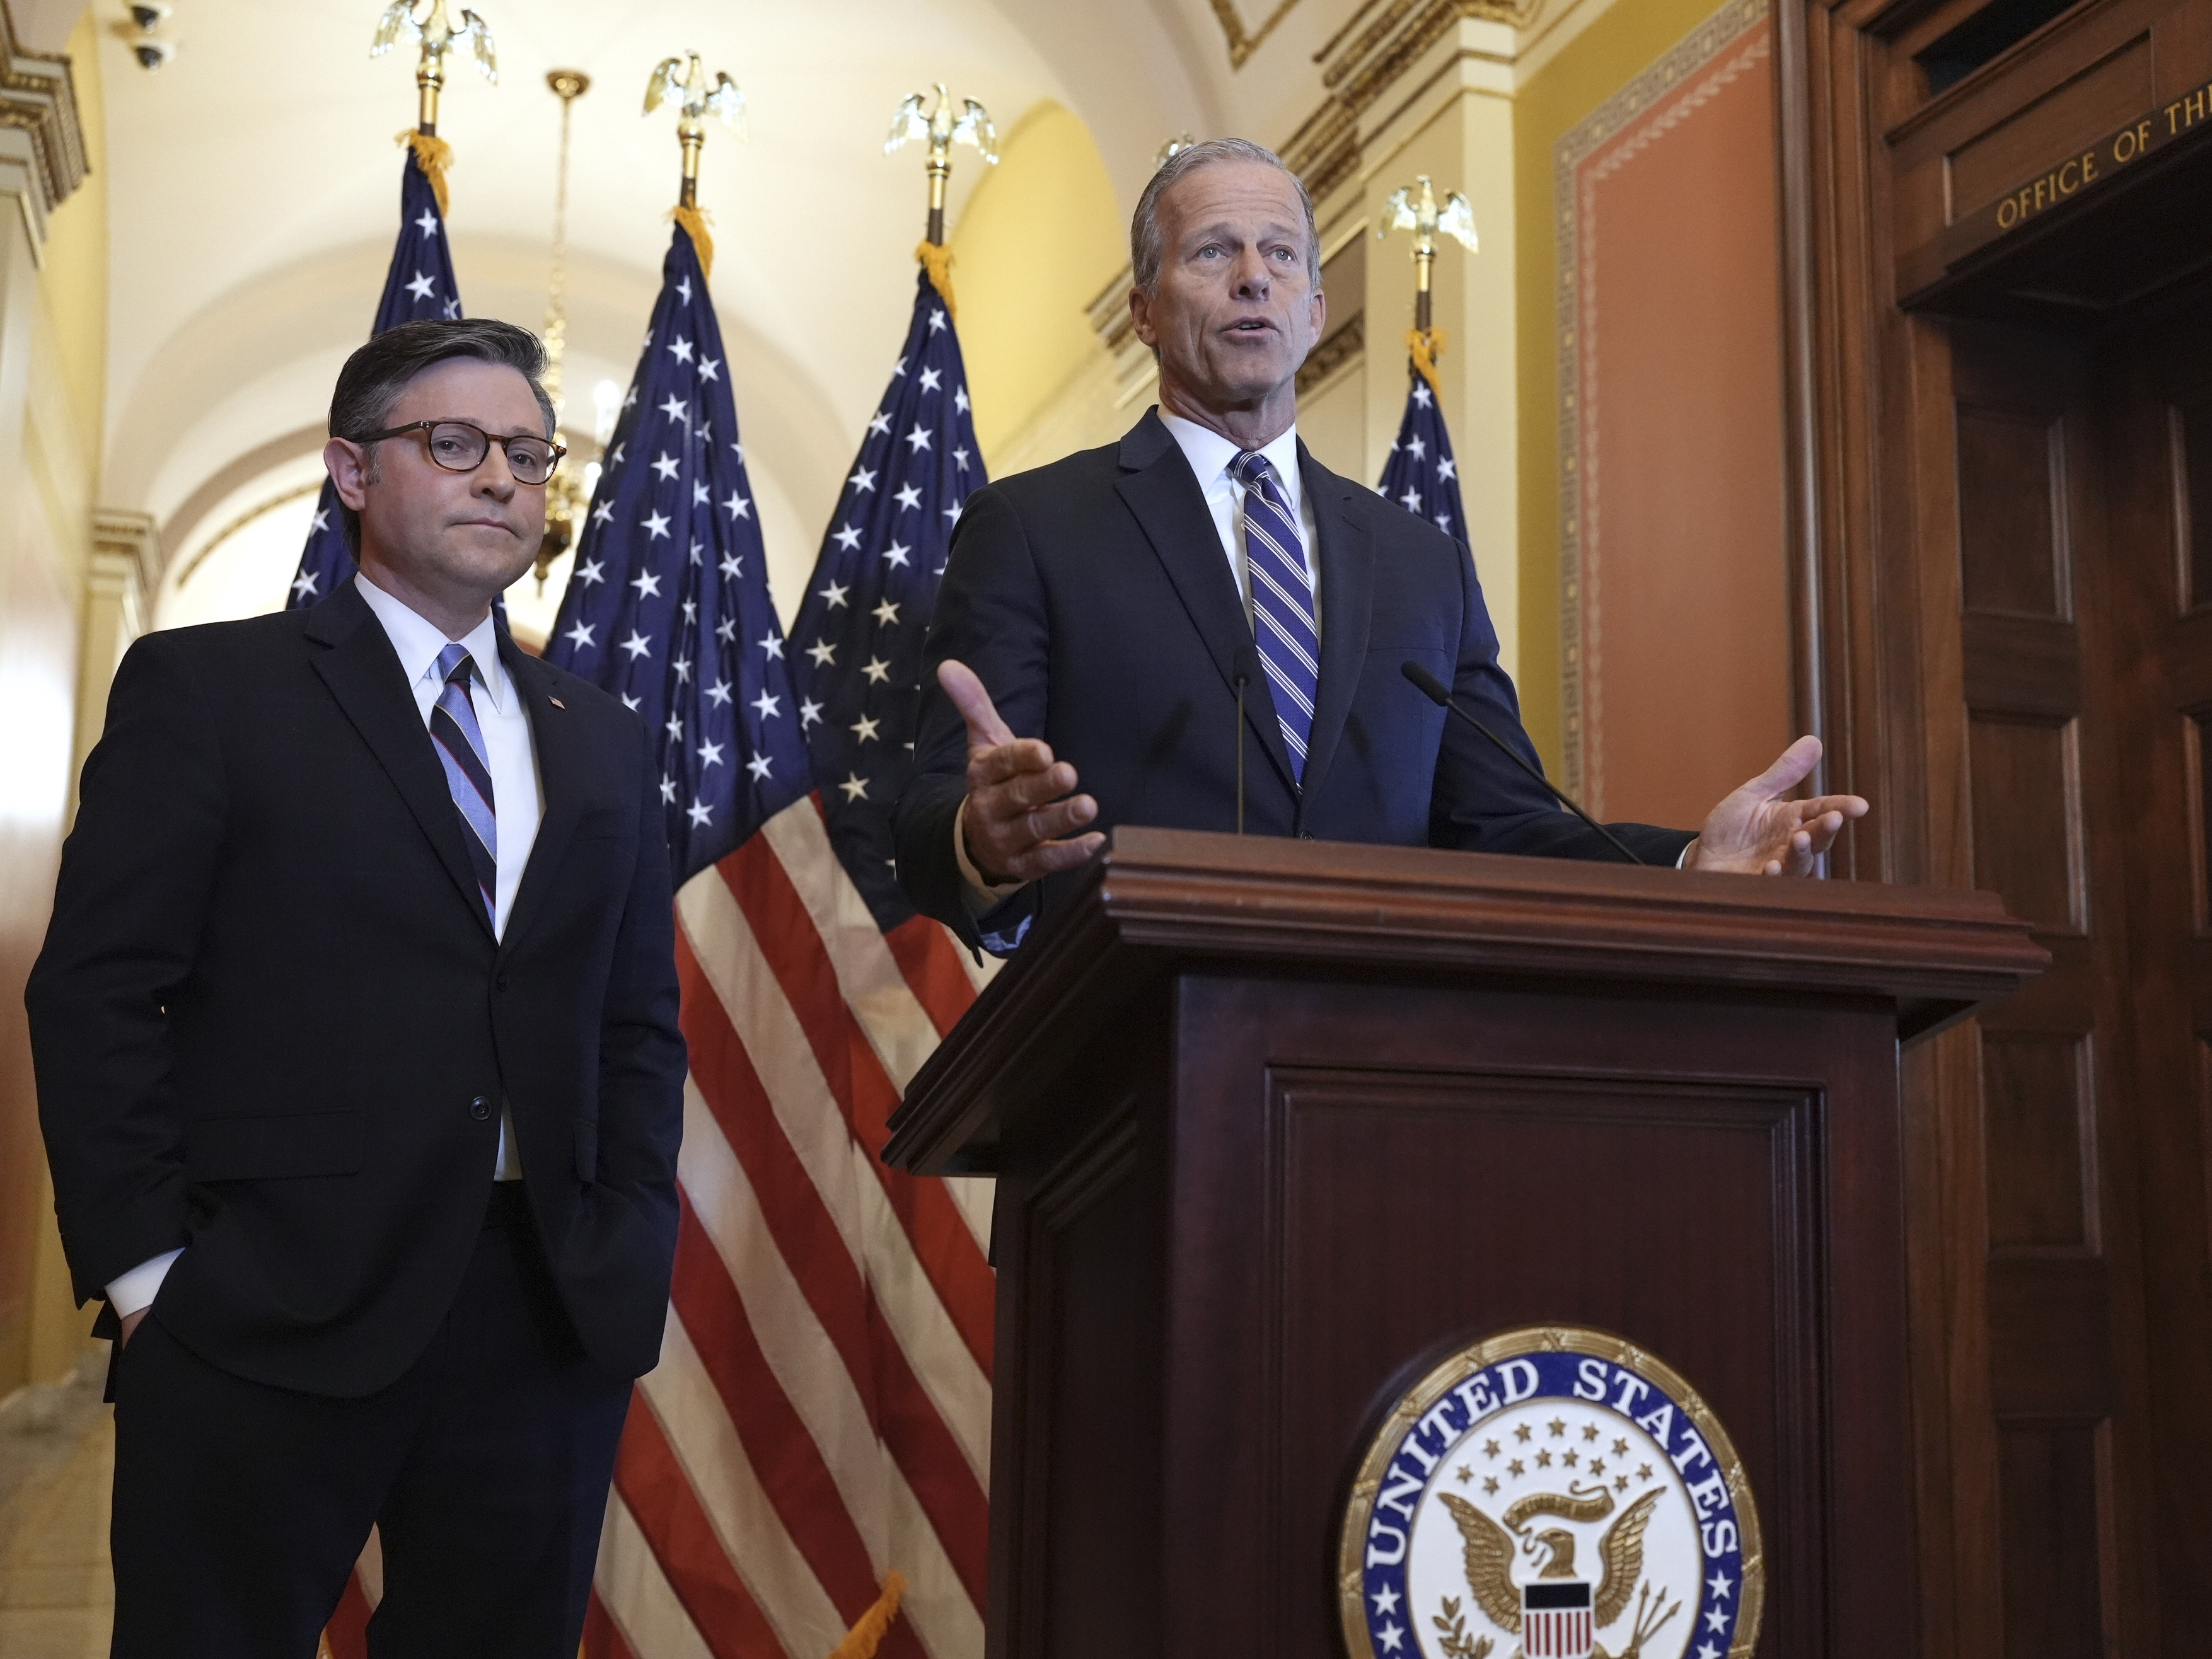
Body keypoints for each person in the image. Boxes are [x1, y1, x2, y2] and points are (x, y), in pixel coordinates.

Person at [25, 318, 685, 1658]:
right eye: (454, 444)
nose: (501, 476)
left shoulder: (600, 737)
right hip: (262, 1301)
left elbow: (635, 1023)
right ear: (351, 469)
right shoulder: (213, 689)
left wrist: (623, 1235)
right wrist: (154, 1275)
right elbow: (98, 990)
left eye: (527, 452)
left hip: (544, 1312)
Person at [894, 139, 1867, 951]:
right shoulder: (1033, 527)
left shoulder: (1418, 560)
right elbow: (927, 821)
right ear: (1143, 311)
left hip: (1375, 1062)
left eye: (1281, 256)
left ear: (1314, 312)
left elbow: (1500, 824)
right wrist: (982, 842)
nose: (1252, 278)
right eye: (1212, 253)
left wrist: (1693, 860)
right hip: (1122, 1064)